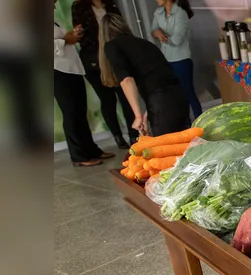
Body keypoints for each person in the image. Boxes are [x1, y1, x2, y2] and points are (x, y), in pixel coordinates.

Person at [99, 13, 190, 137]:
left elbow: (127, 81)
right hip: (179, 96)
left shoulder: (112, 46)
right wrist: (147, 115)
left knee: (167, 149)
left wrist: (138, 117)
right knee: (187, 146)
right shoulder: (144, 43)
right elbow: (160, 82)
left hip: (161, 102)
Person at [72, 0, 139, 149]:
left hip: (116, 55)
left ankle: (134, 135)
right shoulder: (79, 6)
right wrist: (102, 47)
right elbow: (81, 35)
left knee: (126, 97)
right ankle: (117, 136)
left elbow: (121, 28)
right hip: (94, 60)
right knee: (107, 100)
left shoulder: (111, 5)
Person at [54, 9, 113, 167]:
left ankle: (91, 150)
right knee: (71, 112)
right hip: (58, 73)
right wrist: (66, 40)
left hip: (71, 70)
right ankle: (78, 156)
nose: (54, 4)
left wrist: (72, 34)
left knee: (80, 111)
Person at [150, 0, 201, 120]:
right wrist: (156, 33)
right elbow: (153, 31)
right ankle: (186, 124)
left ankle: (200, 121)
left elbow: (177, 40)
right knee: (176, 95)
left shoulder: (180, 13)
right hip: (166, 60)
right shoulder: (158, 12)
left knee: (188, 93)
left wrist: (161, 35)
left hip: (181, 60)